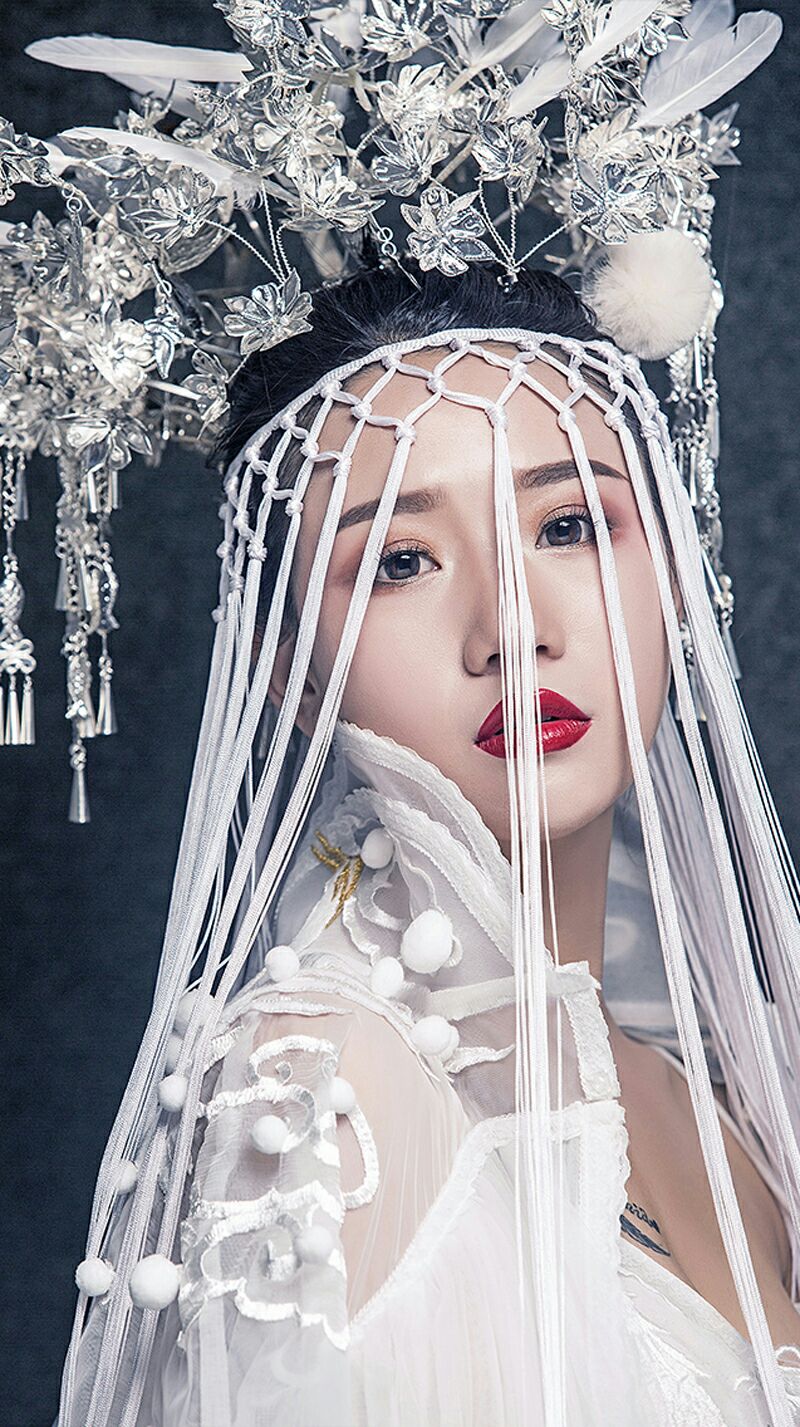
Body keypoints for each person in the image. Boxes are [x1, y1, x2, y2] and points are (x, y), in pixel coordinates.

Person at [61, 263, 800, 1426]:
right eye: (399, 560)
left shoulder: (733, 1102)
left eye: (567, 525)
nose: (511, 625)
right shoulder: (319, 1084)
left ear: (672, 577)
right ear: (294, 675)